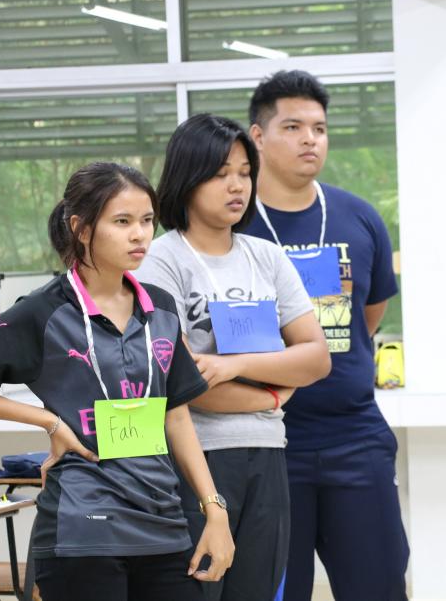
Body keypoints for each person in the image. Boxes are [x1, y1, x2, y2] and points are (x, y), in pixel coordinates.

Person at [0, 162, 234, 601]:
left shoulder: (160, 307)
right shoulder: (43, 311)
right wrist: (48, 422)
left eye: (147, 221)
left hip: (163, 523)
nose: (140, 235)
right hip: (81, 529)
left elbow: (176, 416)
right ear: (81, 229)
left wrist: (214, 510)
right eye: (122, 222)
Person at [135, 114, 330, 601]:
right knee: (198, 588)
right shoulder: (160, 260)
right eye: (221, 174)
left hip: (268, 451)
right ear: (188, 178)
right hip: (197, 459)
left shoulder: (266, 256)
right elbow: (184, 384)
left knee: (256, 590)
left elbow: (316, 358)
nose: (237, 185)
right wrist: (272, 394)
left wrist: (234, 366)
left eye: (245, 173)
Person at [242, 69, 409, 601]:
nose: (310, 139)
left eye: (319, 128)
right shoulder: (234, 224)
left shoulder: (359, 216)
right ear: (258, 136)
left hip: (355, 435)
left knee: (378, 586)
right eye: (292, 127)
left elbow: (369, 315)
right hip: (265, 439)